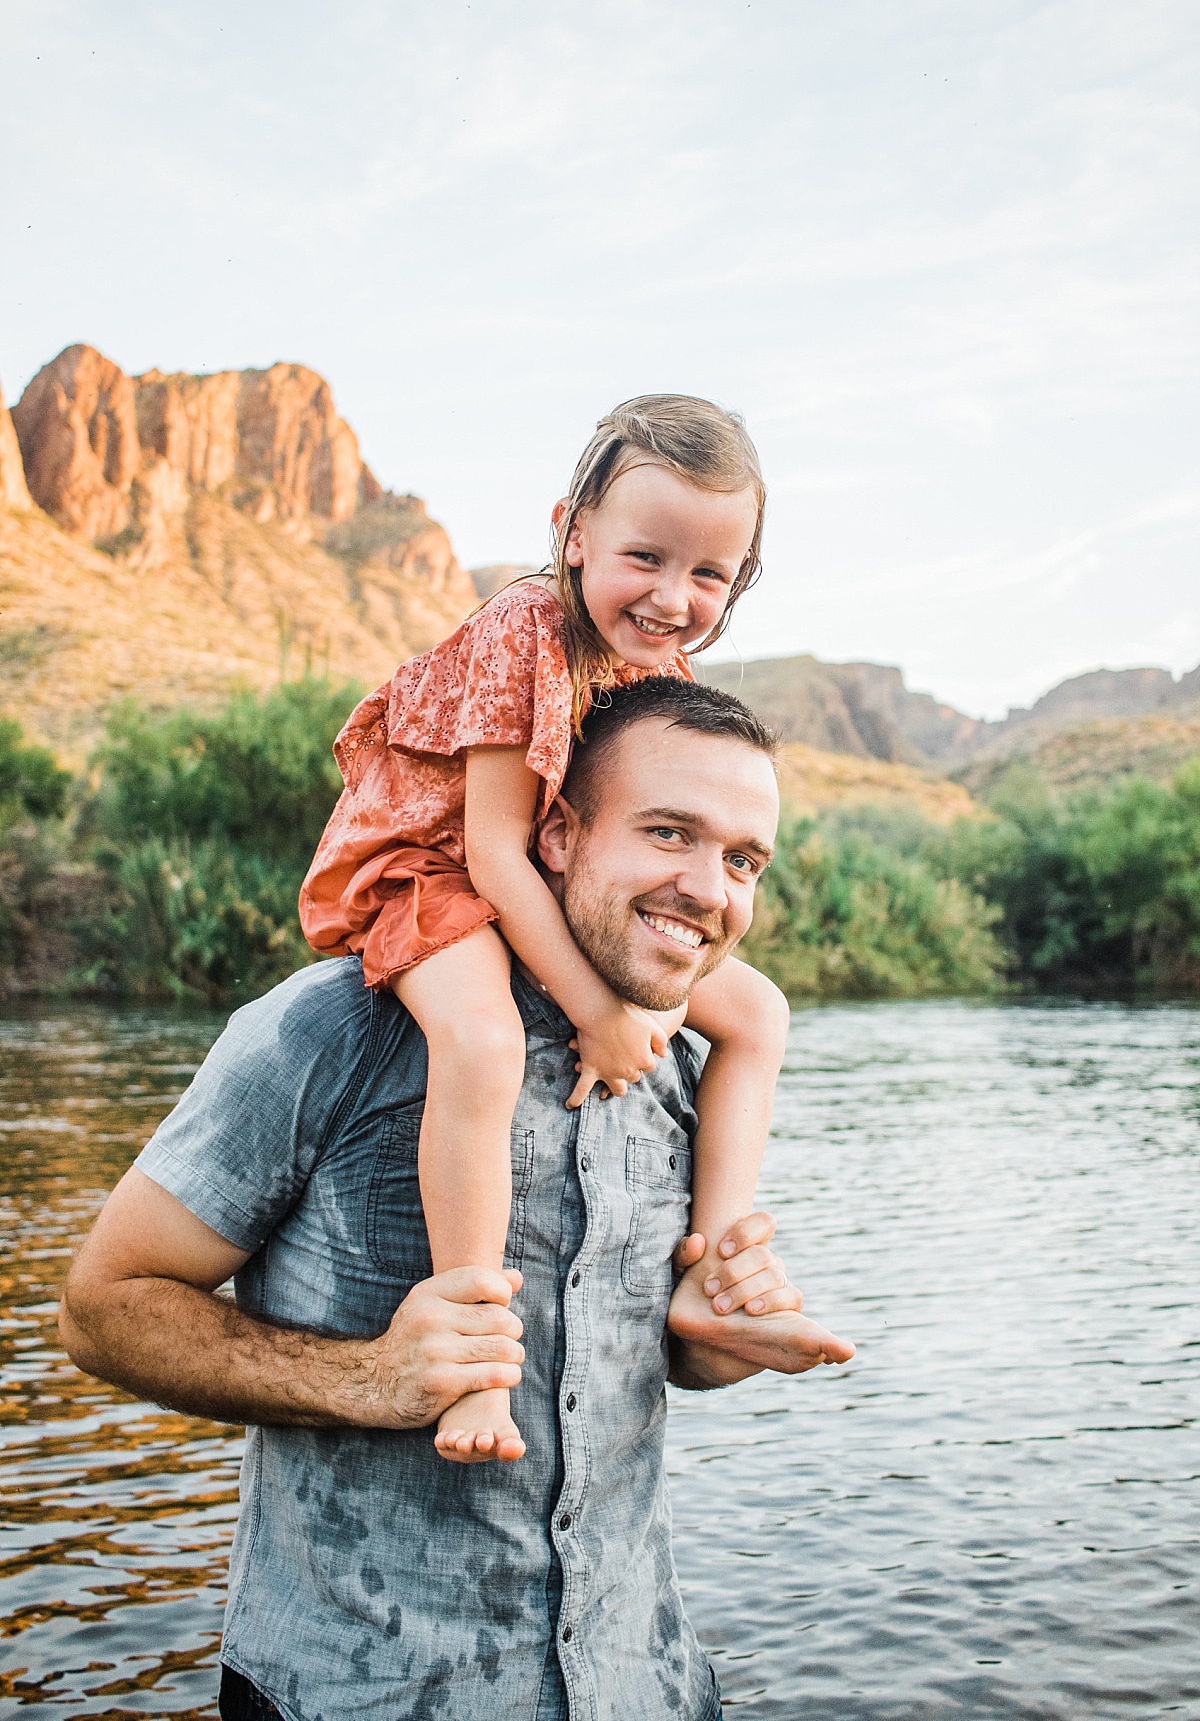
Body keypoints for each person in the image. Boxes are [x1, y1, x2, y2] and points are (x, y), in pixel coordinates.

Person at [60, 677, 854, 1721]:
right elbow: (103, 1305)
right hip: (354, 1692)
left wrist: (716, 1334)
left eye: (744, 858)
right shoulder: (337, 1028)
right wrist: (371, 1377)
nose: (710, 888)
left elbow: (645, 1356)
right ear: (558, 833)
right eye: (670, 832)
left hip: (643, 1683)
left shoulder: (682, 1063)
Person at [298, 395, 793, 1465]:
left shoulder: (658, 667)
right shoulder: (524, 627)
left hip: (542, 875)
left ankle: (709, 1275)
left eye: (710, 576)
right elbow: (488, 851)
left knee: (756, 1010)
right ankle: (473, 1363)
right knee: (482, 1040)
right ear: (573, 531)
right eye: (645, 556)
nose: (672, 598)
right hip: (430, 868)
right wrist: (600, 1012)